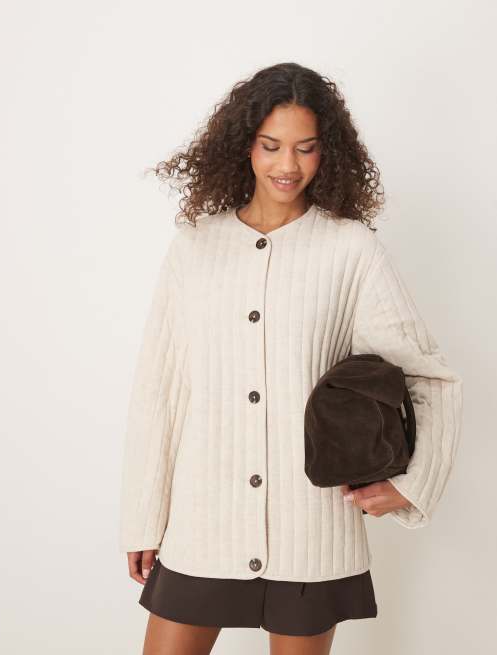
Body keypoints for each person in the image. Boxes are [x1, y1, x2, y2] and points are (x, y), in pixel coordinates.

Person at [119, 62, 463, 655]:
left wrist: (414, 482)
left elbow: (428, 376)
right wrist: (143, 517)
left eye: (306, 148)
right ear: (244, 146)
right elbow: (160, 391)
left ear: (328, 151)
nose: (288, 165)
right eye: (271, 145)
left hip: (311, 526)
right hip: (204, 519)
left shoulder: (350, 249)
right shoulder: (195, 247)